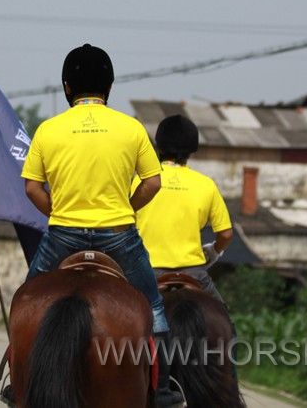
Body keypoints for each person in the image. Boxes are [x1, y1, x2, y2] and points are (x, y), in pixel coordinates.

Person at [17, 43, 185, 408]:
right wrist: (127, 207)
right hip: (119, 237)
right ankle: (165, 390)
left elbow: (31, 187)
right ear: (109, 86)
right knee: (154, 309)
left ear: (66, 88)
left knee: (25, 302)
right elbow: (153, 182)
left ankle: (15, 384)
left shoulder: (48, 129)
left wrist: (56, 211)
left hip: (62, 236)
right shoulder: (131, 128)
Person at [136, 114, 233, 301]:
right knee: (224, 325)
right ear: (191, 150)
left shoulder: (140, 182)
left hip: (148, 273)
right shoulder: (206, 185)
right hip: (194, 274)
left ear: (158, 146)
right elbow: (226, 234)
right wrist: (213, 251)